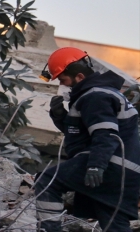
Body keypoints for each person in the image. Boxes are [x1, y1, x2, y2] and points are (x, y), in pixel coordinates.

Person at [35, 47, 139, 231]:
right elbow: (85, 133)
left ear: (80, 77)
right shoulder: (103, 92)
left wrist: (96, 166)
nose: (65, 85)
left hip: (109, 164)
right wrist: (61, 117)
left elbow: (105, 133)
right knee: (113, 221)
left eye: (63, 79)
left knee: (47, 181)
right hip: (125, 171)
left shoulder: (95, 96)